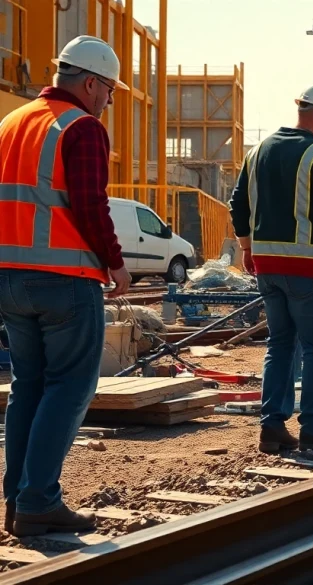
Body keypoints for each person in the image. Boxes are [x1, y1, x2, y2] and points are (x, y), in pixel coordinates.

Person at [0, 35, 131, 536]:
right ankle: (38, 502)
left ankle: (18, 500)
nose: (110, 100)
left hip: (9, 278)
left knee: (28, 388)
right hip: (64, 279)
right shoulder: (81, 127)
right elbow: (89, 205)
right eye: (110, 90)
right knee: (70, 386)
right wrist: (115, 264)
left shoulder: (13, 121)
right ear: (91, 82)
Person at [229, 81, 313, 454]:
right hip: (307, 269)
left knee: (280, 344)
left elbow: (237, 204)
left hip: (267, 267)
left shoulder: (257, 153)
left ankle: (272, 427)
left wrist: (246, 247)